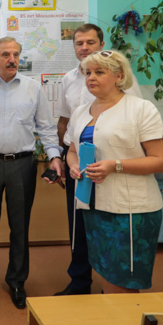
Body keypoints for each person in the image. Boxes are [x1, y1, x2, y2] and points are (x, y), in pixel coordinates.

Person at [0, 37, 63, 309]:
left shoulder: (33, 88)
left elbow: (46, 127)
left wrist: (54, 157)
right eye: (5, 54)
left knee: (20, 226)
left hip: (22, 164)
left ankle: (17, 282)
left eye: (15, 54)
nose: (12, 59)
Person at [65, 50, 163, 294]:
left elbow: (161, 161)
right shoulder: (81, 112)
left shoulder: (141, 109)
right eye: (88, 73)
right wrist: (73, 165)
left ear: (119, 76)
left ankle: (125, 318)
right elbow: (72, 150)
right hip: (93, 207)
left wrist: (115, 165)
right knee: (105, 271)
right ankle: (111, 316)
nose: (91, 77)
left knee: (123, 279)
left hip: (130, 210)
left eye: (99, 72)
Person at [53, 24, 142, 296]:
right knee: (78, 226)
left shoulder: (120, 78)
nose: (84, 47)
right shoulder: (69, 79)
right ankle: (79, 282)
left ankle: (111, 286)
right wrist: (65, 159)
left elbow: (135, 124)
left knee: (107, 226)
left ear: (102, 44)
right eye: (79, 43)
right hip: (78, 166)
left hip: (111, 169)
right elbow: (64, 121)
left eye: (90, 42)